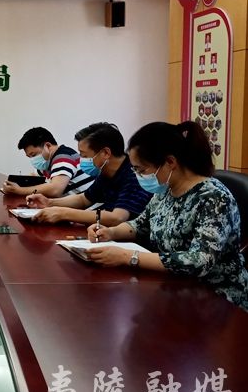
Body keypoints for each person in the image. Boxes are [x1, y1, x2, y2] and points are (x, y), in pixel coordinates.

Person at [86, 121, 248, 310]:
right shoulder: (165, 190)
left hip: (216, 299)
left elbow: (199, 261)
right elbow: (141, 224)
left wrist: (127, 256)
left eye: (141, 170)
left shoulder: (213, 197)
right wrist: (110, 232)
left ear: (170, 162)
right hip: (172, 287)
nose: (138, 176)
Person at [27, 122, 152, 226]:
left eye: (84, 155)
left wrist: (63, 214)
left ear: (106, 153)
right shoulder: (105, 172)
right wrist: (49, 202)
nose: (81, 159)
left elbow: (117, 218)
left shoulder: (134, 174)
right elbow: (84, 199)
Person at [1, 127, 94, 197]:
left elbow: (55, 190)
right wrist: (15, 184)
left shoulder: (63, 157)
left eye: (33, 155)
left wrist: (19, 190)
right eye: (29, 157)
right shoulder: (48, 161)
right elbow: (32, 176)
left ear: (48, 146)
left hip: (88, 210)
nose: (33, 159)